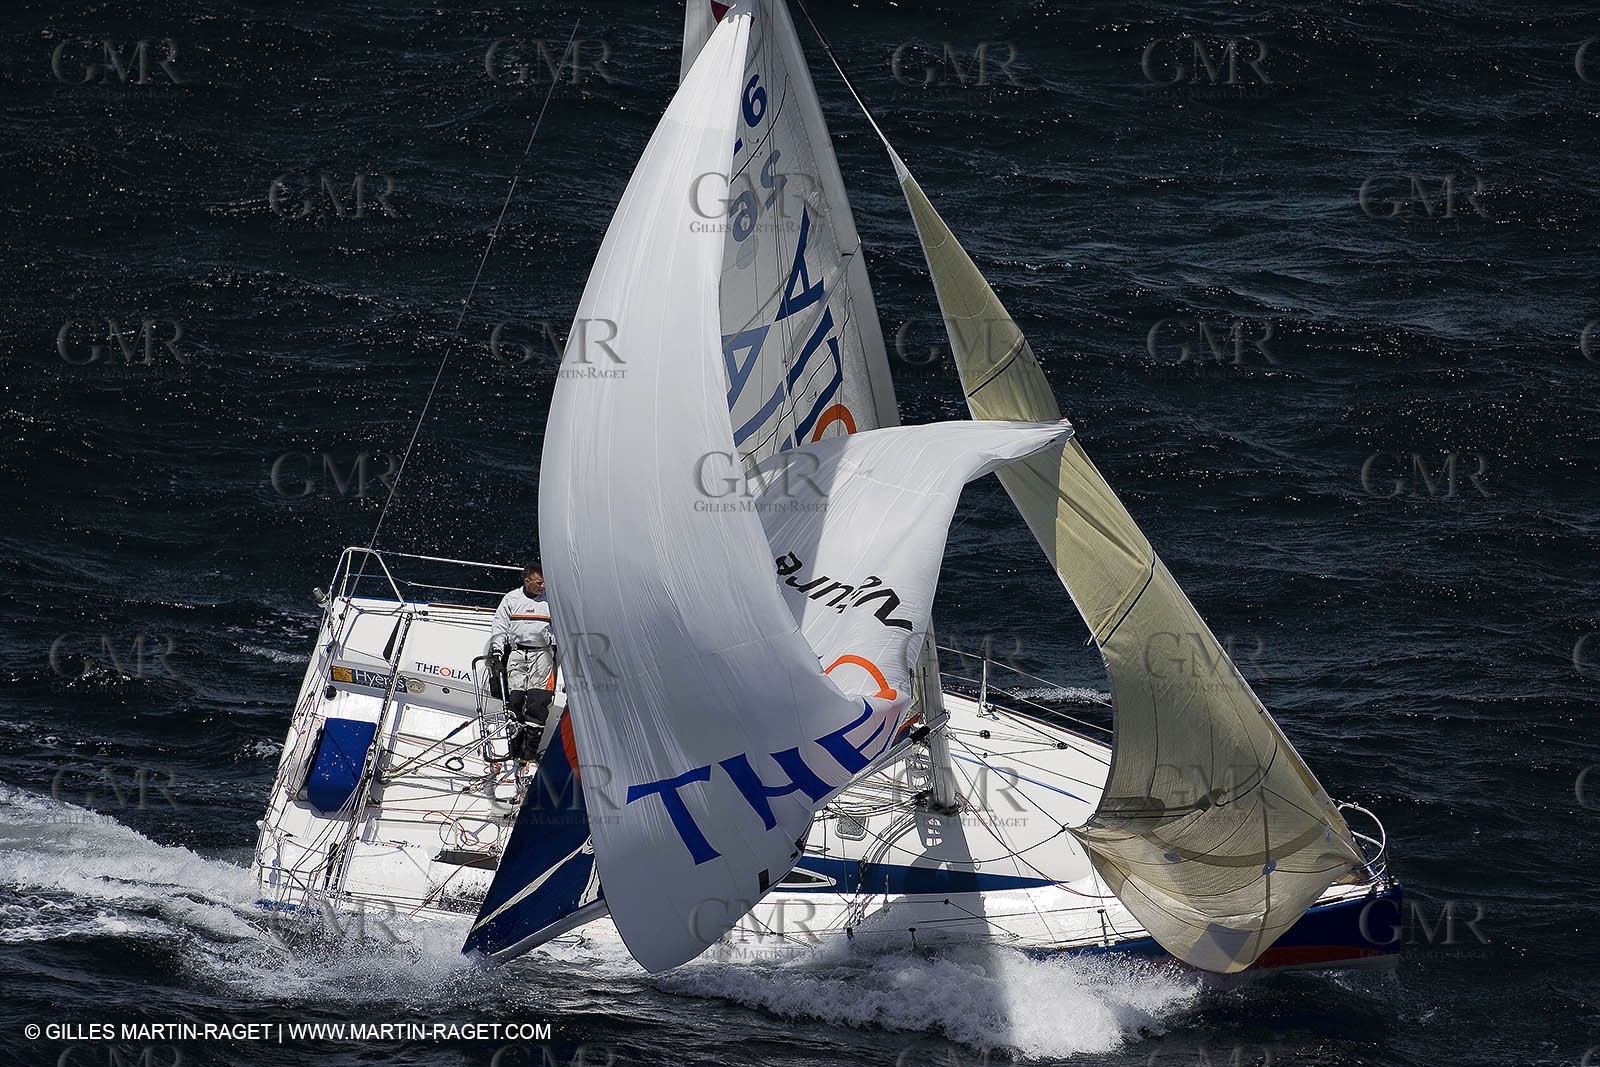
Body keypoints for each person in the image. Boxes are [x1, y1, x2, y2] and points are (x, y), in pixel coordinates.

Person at [489, 563, 555, 766]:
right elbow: (499, 627)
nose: (543, 586)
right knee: (514, 702)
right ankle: (514, 748)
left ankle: (529, 753)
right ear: (527, 581)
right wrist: (497, 655)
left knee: (538, 702)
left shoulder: (551, 601)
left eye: (544, 582)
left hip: (542, 653)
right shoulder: (511, 599)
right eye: (539, 582)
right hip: (517, 652)